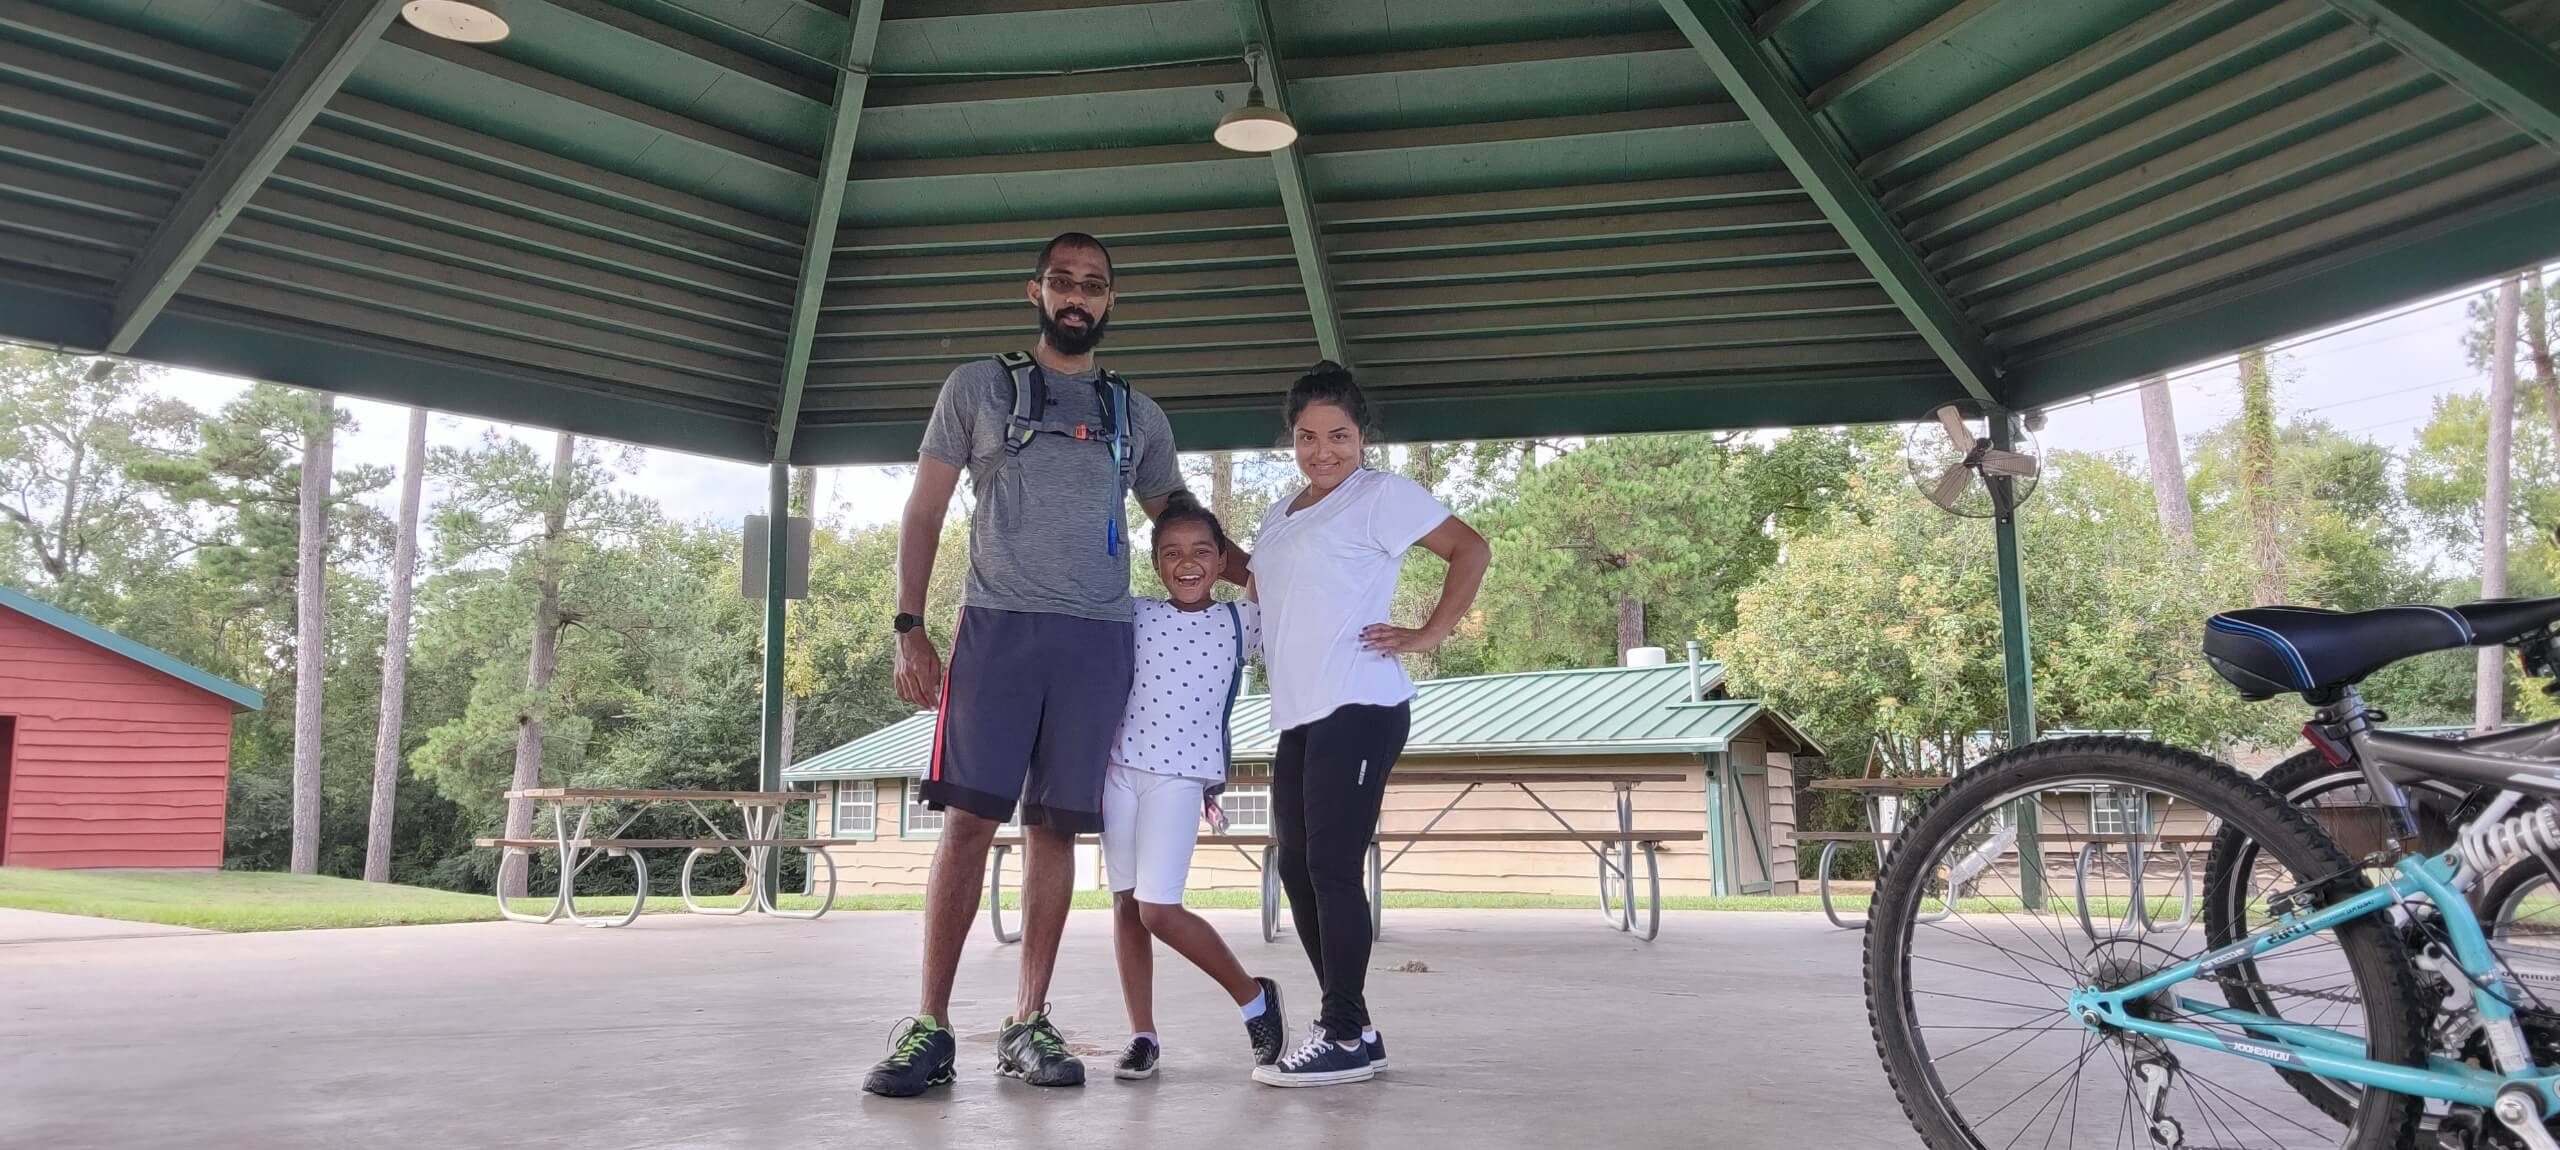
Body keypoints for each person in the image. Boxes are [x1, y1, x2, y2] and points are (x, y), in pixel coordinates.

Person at [862, 232, 1235, 1097]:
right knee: (966, 823)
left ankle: (1027, 1021)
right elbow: (924, 508)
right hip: (997, 630)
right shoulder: (980, 387)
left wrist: (1270, 577)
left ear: (1111, 302)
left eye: (1094, 285)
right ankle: (931, 1025)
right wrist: (908, 626)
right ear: (1036, 291)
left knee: (1054, 828)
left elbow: (1181, 523)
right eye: (1063, 282)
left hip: (1099, 638)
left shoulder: (1137, 416)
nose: (1078, 296)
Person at [1245, 363, 1489, 1088]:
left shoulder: (1381, 496)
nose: (1325, 451)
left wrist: (1428, 634)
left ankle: (1344, 1032)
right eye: (1308, 437)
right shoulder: (1280, 512)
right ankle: (1354, 1024)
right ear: (1291, 439)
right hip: (1298, 713)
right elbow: (1264, 592)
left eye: (1340, 436)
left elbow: (1470, 549)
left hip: (1361, 702)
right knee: (1296, 869)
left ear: (1362, 436)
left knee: (1331, 866)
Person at [1102, 493, 1290, 1081]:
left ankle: (1255, 997)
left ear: (1221, 559)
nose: (1188, 563)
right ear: (1156, 562)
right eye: (1172, 553)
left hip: (1182, 778)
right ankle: (1142, 1034)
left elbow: (1278, 580)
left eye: (1202, 552)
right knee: (1128, 906)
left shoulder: (1242, 621)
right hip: (1118, 772)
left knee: (1160, 908)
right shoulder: (1133, 613)